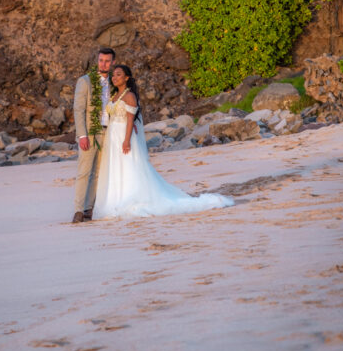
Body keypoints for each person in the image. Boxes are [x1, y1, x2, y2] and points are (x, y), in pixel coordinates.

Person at [93, 64, 234, 219]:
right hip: (112, 136)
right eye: (113, 75)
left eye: (118, 74)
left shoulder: (129, 96)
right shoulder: (114, 96)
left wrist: (126, 140)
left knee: (128, 165)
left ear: (126, 78)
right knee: (116, 166)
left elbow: (130, 120)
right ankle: (115, 197)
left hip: (123, 136)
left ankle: (130, 196)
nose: (114, 77)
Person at [71, 47, 116, 223]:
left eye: (107, 61)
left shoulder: (114, 82)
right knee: (84, 171)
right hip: (90, 132)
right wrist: (82, 135)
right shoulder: (85, 81)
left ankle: (89, 208)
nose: (103, 64)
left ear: (112, 63)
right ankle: (78, 211)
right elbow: (78, 109)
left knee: (98, 173)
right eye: (101, 60)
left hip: (108, 132)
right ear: (97, 61)